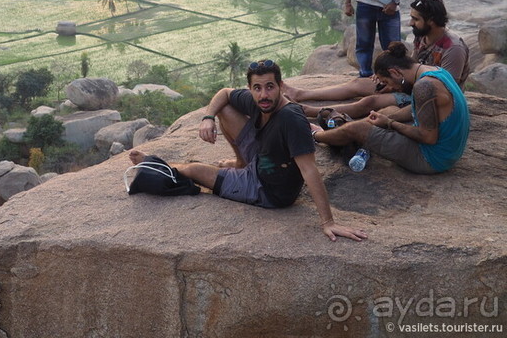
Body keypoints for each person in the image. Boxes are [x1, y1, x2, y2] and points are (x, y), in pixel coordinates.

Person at [130, 60, 367, 242]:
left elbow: (309, 170)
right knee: (225, 108)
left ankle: (152, 163)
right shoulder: (257, 101)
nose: (264, 95)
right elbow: (224, 93)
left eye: (270, 87)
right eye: (257, 88)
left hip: (266, 188)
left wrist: (328, 222)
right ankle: (240, 163)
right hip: (261, 155)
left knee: (193, 170)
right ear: (250, 89)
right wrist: (207, 118)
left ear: (281, 87)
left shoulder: (290, 118)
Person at [294, 0, 470, 120]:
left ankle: (310, 111)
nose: (411, 23)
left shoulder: (453, 48)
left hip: (428, 98)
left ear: (431, 20)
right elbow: (412, 66)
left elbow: (447, 91)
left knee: (370, 102)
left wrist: (398, 84)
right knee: (358, 84)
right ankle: (301, 93)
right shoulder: (422, 36)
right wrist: (391, 80)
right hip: (411, 85)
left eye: (416, 19)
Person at [314, 42, 469, 174]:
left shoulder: (423, 86)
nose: (390, 88)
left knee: (358, 129)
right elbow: (418, 109)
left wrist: (389, 123)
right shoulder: (435, 71)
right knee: (390, 111)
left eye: (386, 82)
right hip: (450, 152)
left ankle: (316, 135)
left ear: (394, 72)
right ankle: (347, 132)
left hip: (432, 159)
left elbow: (428, 137)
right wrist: (387, 118)